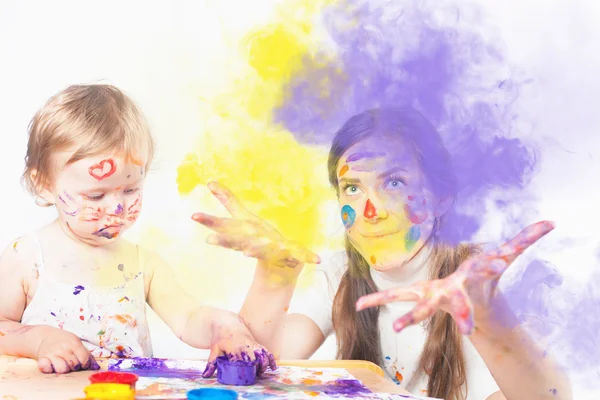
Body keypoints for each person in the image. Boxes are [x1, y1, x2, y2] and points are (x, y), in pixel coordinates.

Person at [192, 107, 571, 399]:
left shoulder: (483, 281)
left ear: (441, 199)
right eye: (353, 188)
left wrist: (488, 319)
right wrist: (274, 274)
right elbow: (260, 373)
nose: (371, 211)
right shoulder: (341, 273)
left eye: (394, 182)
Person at [0, 84, 275, 377]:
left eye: (130, 190)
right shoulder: (28, 257)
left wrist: (222, 324)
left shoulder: (143, 264)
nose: (118, 208)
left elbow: (188, 318)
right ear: (44, 185)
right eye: (96, 196)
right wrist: (41, 339)